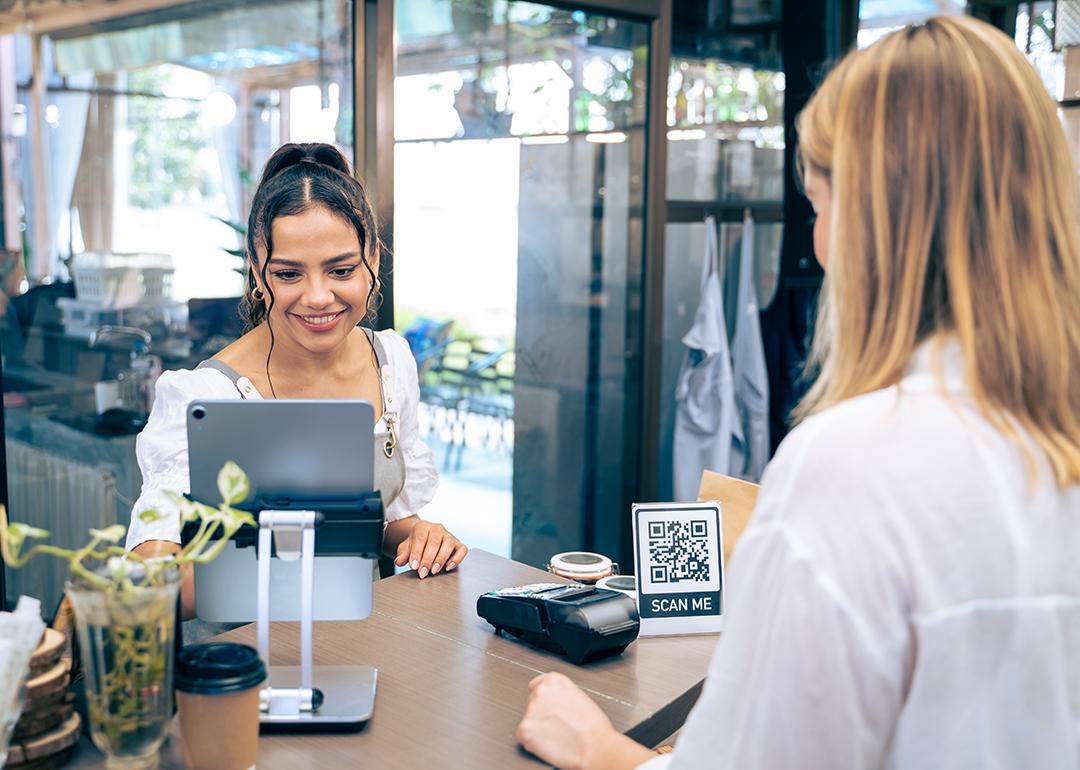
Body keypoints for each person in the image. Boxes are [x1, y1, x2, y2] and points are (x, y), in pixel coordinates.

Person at [517, 16, 1080, 770]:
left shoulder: (859, 469)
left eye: (820, 206)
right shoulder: (1048, 438)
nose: (818, 243)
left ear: (882, 225)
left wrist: (596, 749)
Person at [127, 142, 468, 617]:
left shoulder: (389, 360)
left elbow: (388, 521)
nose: (318, 296)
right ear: (256, 271)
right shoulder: (205, 394)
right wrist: (268, 563)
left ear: (372, 256)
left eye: (342, 270)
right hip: (247, 668)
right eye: (288, 274)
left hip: (370, 646)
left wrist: (421, 537)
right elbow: (149, 582)